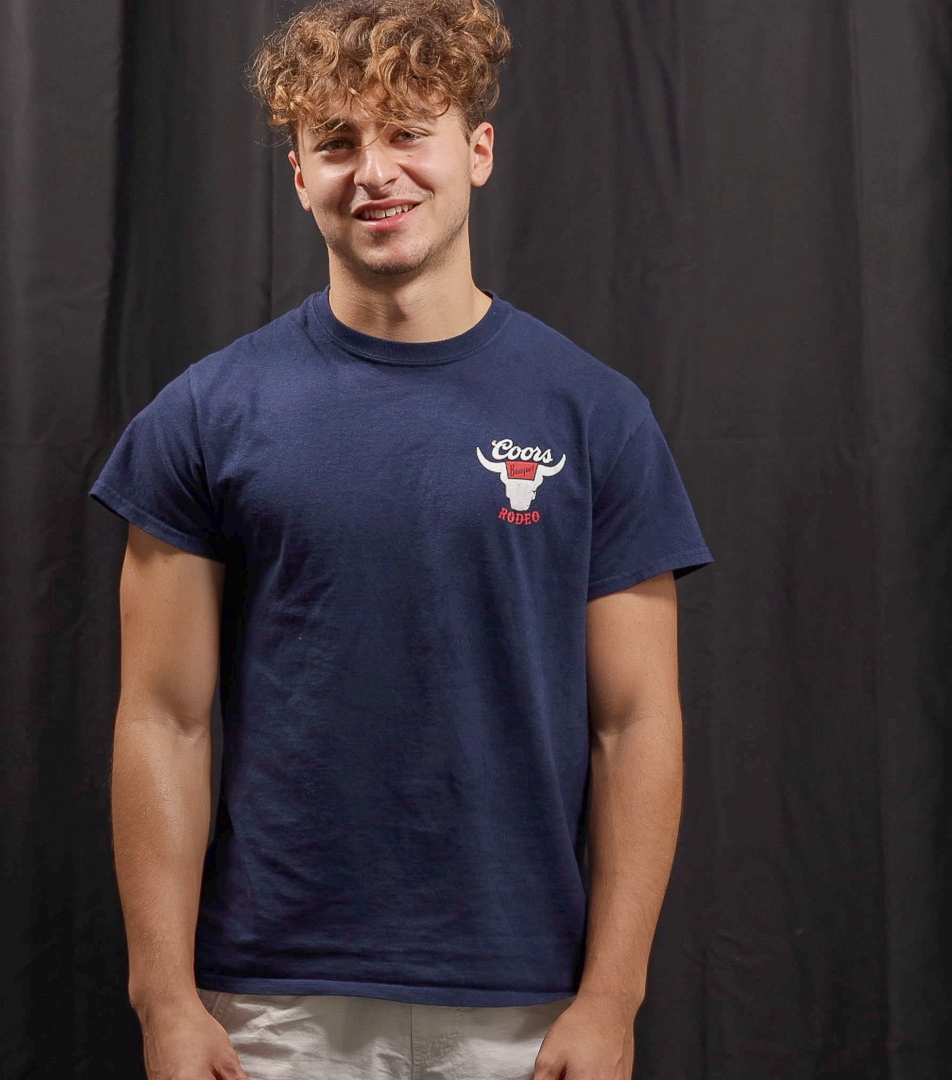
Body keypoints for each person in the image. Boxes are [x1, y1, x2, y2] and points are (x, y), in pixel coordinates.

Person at [89, 1, 712, 1076]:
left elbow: (637, 723)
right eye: (336, 142)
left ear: (477, 152)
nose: (374, 171)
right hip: (273, 1008)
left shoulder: (595, 416)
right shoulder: (205, 416)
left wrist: (613, 1000)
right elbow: (164, 721)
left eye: (408, 132)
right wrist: (165, 999)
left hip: (525, 1007)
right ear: (299, 175)